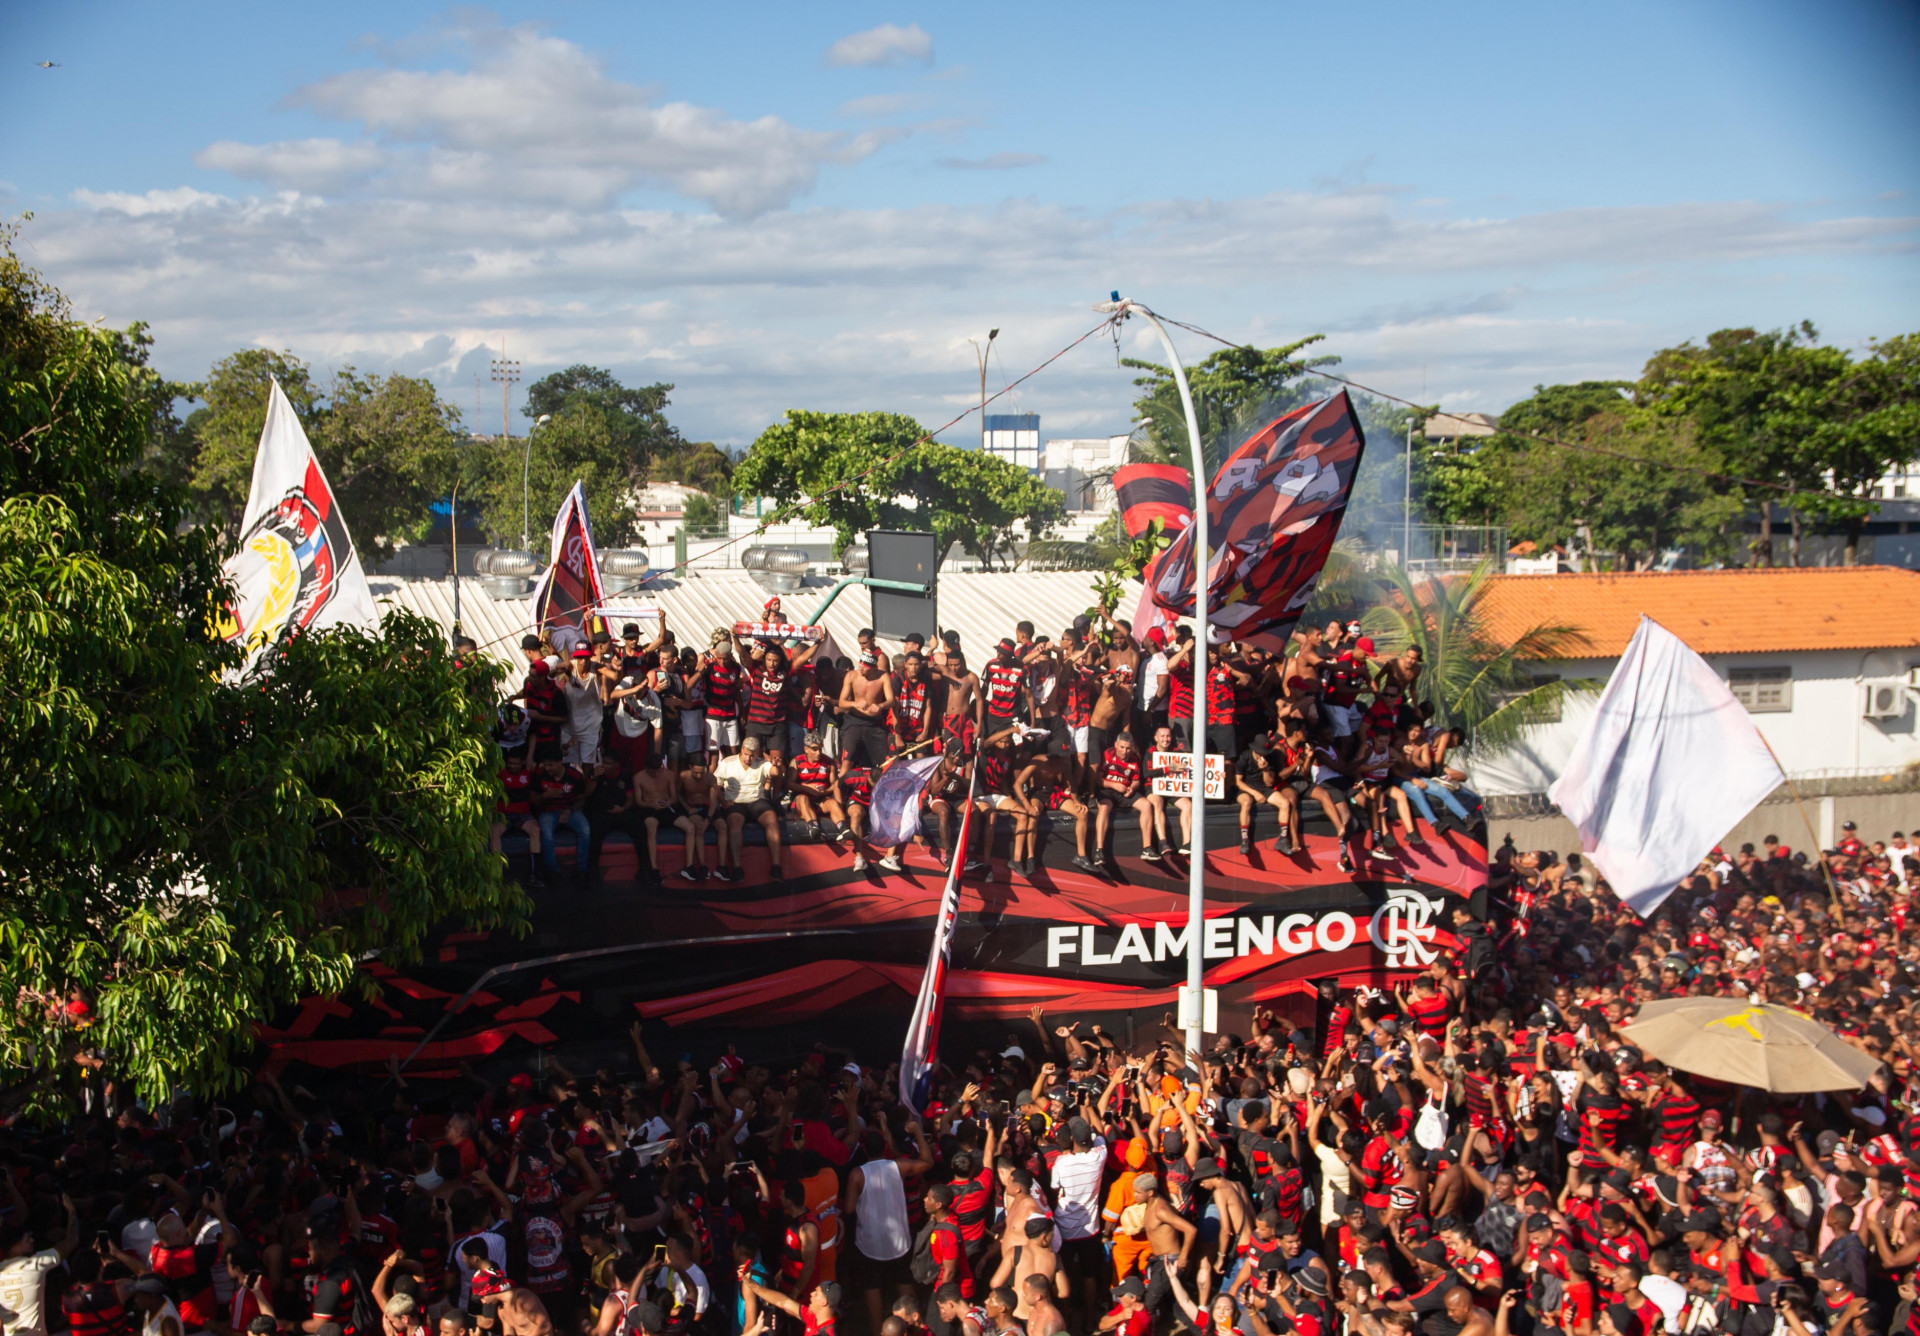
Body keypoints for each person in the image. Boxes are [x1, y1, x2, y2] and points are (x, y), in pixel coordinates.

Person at [713, 734, 783, 883]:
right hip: (735, 801)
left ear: (757, 753)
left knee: (772, 819)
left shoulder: (762, 762)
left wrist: (776, 766)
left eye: (752, 755)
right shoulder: (727, 762)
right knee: (735, 822)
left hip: (756, 800)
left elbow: (775, 773)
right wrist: (723, 802)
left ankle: (776, 866)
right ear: (742, 749)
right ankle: (737, 866)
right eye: (746, 754)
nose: (748, 759)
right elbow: (715, 785)